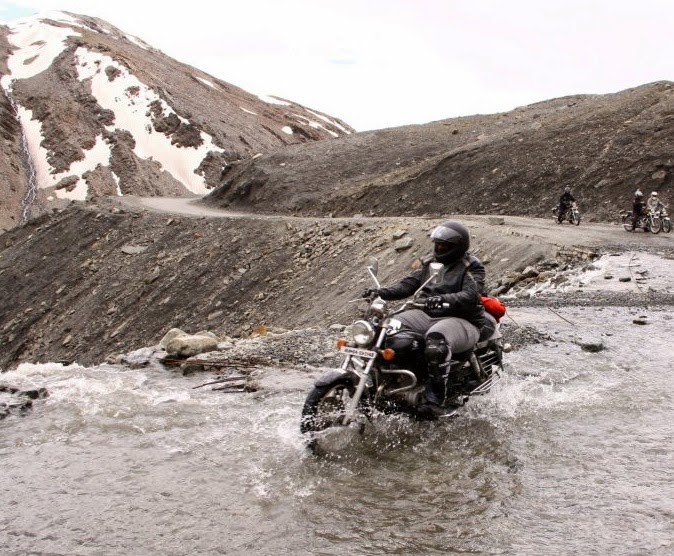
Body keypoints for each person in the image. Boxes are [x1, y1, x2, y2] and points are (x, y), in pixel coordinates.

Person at [361, 220, 486, 419]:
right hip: (426, 313)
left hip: (462, 318)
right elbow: (408, 285)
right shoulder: (430, 262)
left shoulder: (471, 266)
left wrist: (443, 299)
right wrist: (380, 293)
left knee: (436, 341)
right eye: (437, 243)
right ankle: (379, 384)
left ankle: (434, 401)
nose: (439, 248)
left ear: (458, 246)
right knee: (383, 329)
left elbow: (472, 295)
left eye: (444, 245)